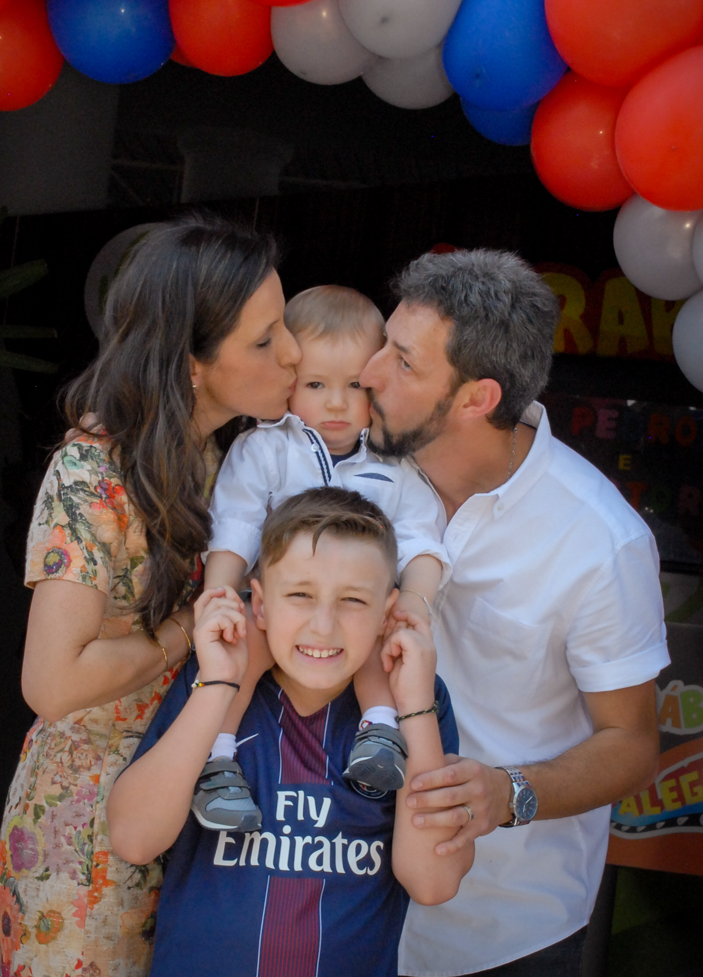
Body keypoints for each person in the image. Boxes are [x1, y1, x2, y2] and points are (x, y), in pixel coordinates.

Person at [0, 216, 301, 977]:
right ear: (193, 364)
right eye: (265, 341)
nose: (293, 353)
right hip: (89, 829)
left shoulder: (222, 458)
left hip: (196, 804)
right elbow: (53, 681)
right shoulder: (94, 472)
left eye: (284, 326)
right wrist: (185, 635)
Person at [358, 247, 669, 977]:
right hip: (330, 894)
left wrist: (510, 793)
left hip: (501, 933)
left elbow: (629, 741)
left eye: (402, 363)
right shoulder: (347, 469)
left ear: (476, 398)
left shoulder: (601, 540)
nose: (369, 375)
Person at [107, 487, 473, 977]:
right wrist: (218, 684)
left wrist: (414, 708)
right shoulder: (219, 683)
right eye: (300, 595)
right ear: (258, 604)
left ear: (388, 613)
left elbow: (432, 882)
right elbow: (134, 839)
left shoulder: (418, 701)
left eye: (352, 600)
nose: (323, 626)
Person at [197, 286, 448, 829]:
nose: (335, 403)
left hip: (355, 612)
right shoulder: (267, 449)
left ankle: (380, 733)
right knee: (243, 644)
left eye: (354, 386)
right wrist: (219, 595)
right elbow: (235, 525)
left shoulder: (391, 465)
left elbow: (423, 540)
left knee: (384, 630)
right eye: (316, 385)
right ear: (289, 383)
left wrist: (418, 604)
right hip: (278, 610)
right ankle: (217, 761)